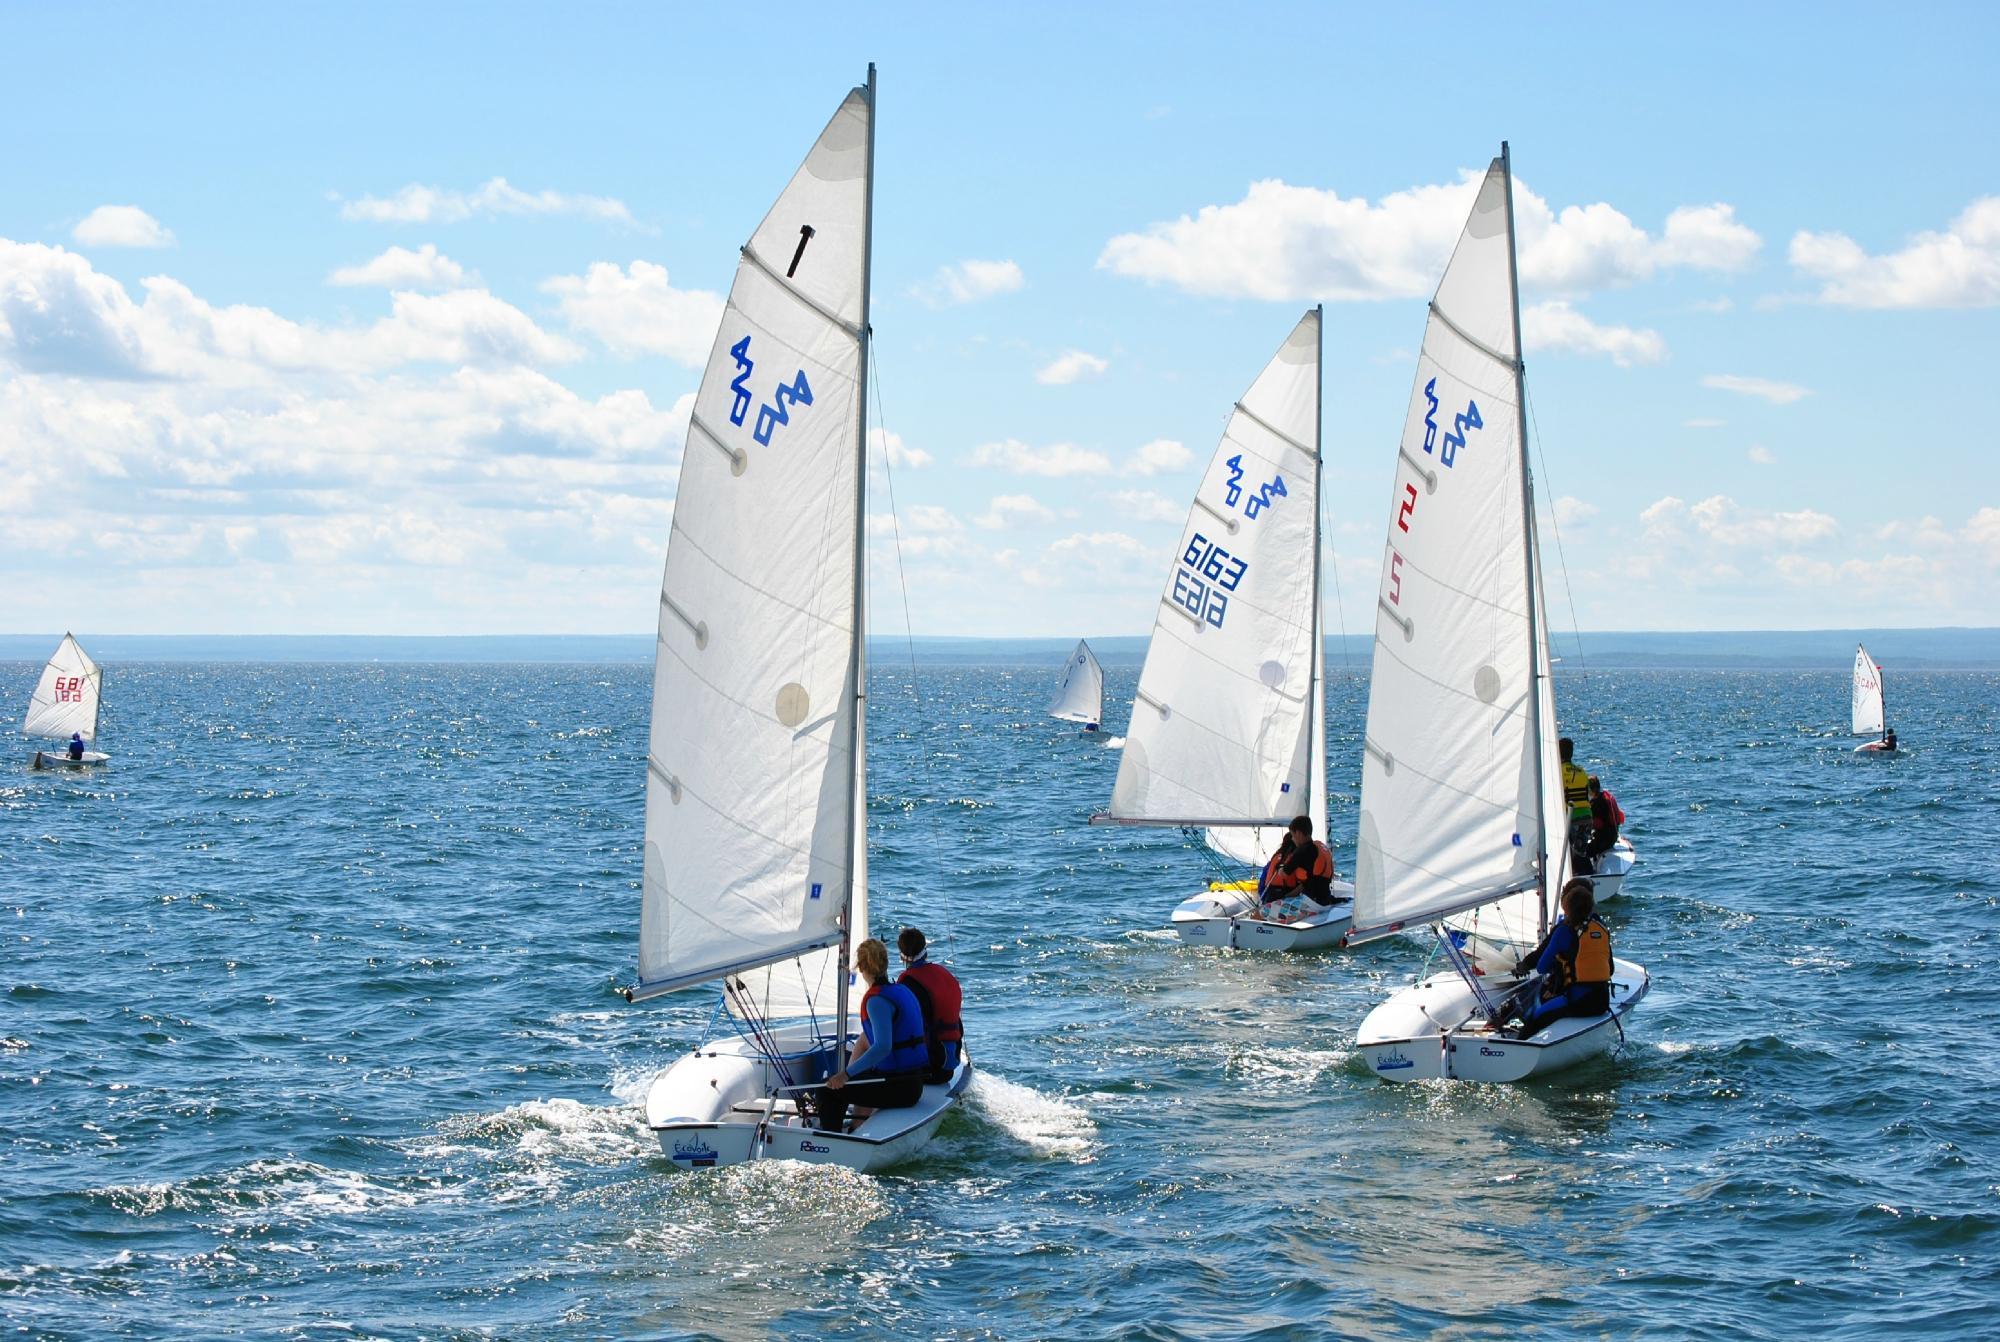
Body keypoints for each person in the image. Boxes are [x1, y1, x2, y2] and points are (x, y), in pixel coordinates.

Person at [812, 939, 930, 1132]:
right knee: (853, 1082)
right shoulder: (901, 990)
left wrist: (845, 1075)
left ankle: (832, 1140)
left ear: (862, 966)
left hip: (899, 1088)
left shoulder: (876, 1000)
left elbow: (883, 1047)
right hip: (913, 1082)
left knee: (827, 1091)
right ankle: (854, 1126)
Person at [1490, 880, 1613, 1039]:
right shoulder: (1601, 928)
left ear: (1566, 905)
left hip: (1577, 1001)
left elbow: (1541, 968)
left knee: (1536, 1016)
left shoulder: (1564, 931)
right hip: (1602, 1001)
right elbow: (1610, 969)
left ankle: (1519, 1049)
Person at [896, 927, 964, 1081]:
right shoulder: (944, 973)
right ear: (925, 950)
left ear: (903, 957)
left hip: (928, 1069)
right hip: (949, 1064)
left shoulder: (908, 982)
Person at [1255, 815, 1336, 922]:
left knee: (1261, 912)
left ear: (1298, 833)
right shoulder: (1321, 847)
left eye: (1293, 835)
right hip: (1325, 901)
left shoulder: (1302, 851)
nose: (1293, 839)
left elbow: (1283, 873)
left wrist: (1282, 866)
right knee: (1286, 902)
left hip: (1310, 904)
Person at [1559, 738, 1592, 873]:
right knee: (1580, 852)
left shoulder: (1557, 771)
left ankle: (1581, 878)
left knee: (1573, 855)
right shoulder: (1582, 771)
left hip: (1570, 819)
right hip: (1586, 818)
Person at [1586, 776, 1621, 865]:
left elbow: (1592, 824)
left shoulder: (1596, 804)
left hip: (1604, 841)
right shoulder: (1605, 797)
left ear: (1590, 789)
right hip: (1613, 837)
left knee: (1582, 853)